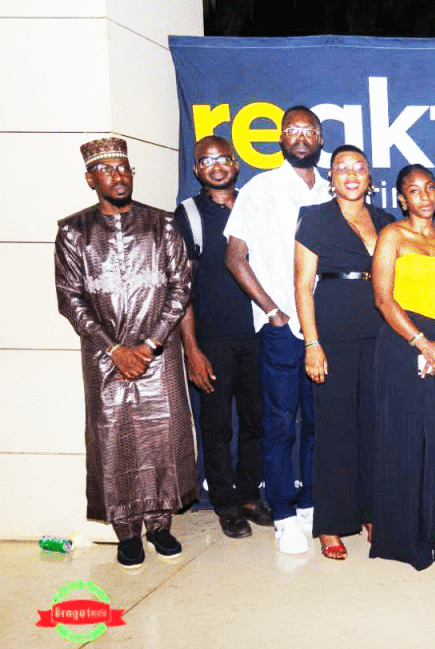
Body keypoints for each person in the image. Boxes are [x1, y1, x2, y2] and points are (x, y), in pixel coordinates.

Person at [55, 137, 195, 569]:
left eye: (124, 168)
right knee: (113, 439)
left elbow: (180, 288)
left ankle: (160, 525)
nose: (118, 177)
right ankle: (127, 532)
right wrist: (114, 349)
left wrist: (150, 345)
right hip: (105, 357)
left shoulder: (162, 224)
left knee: (163, 436)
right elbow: (70, 298)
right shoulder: (73, 231)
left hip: (159, 353)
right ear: (90, 179)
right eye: (107, 170)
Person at [224, 105, 331, 554]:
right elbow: (235, 258)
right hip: (282, 329)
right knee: (280, 423)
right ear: (281, 138)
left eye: (309, 130)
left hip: (325, 329)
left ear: (320, 138)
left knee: (319, 424)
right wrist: (272, 311)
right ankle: (284, 514)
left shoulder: (332, 188)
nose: (301, 136)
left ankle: (309, 504)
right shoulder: (260, 188)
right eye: (293, 129)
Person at [369, 164, 435, 570]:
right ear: (402, 199)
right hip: (402, 340)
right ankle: (404, 539)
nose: (424, 196)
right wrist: (421, 343)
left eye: (429, 188)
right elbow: (383, 298)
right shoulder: (392, 236)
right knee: (404, 438)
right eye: (414, 191)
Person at [295, 145, 396, 560]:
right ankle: (331, 524)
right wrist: (312, 342)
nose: (351, 175)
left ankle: (371, 512)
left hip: (380, 333)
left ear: (369, 177)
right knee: (334, 429)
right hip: (333, 332)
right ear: (331, 177)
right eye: (342, 168)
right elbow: (303, 285)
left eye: (359, 168)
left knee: (375, 427)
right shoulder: (315, 217)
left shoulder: (387, 220)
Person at [174, 135, 273, 540]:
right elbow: (180, 289)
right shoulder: (188, 214)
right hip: (212, 339)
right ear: (197, 169)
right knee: (216, 425)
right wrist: (191, 349)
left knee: (257, 420)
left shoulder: (255, 206)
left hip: (260, 334)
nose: (216, 166)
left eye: (222, 158)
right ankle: (225, 504)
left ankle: (249, 496)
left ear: (235, 164)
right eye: (206, 160)